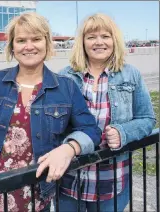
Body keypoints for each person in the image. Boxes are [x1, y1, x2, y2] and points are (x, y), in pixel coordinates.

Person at [0, 12, 102, 212]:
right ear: (12, 46)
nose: (29, 46)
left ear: (47, 43)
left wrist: (69, 148)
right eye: (21, 40)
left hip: (37, 195)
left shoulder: (66, 88)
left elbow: (91, 130)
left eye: (36, 39)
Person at [57, 13, 156, 212]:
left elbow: (147, 118)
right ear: (82, 42)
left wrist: (123, 132)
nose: (99, 42)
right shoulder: (65, 76)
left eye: (105, 36)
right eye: (91, 37)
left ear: (114, 40)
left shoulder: (130, 74)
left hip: (111, 178)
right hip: (69, 177)